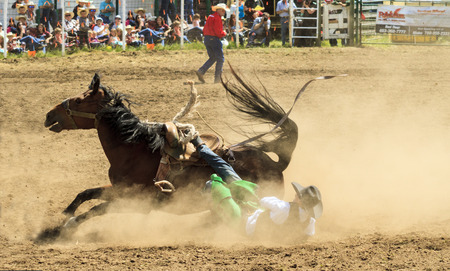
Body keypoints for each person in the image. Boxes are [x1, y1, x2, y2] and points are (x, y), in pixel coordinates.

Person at [189, 134, 322, 238]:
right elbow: (307, 236)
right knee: (232, 179)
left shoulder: (283, 208)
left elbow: (264, 201)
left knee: (216, 180)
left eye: (298, 195)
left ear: (300, 199)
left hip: (242, 222)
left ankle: (197, 142)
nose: (295, 195)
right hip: (252, 229)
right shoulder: (309, 222)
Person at [196, 3, 228, 84]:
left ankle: (201, 71)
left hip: (207, 39)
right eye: (223, 10)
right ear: (220, 10)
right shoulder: (217, 18)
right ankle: (217, 79)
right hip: (214, 39)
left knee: (213, 57)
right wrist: (224, 33)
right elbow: (218, 32)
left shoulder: (210, 16)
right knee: (220, 59)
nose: (224, 12)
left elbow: (205, 29)